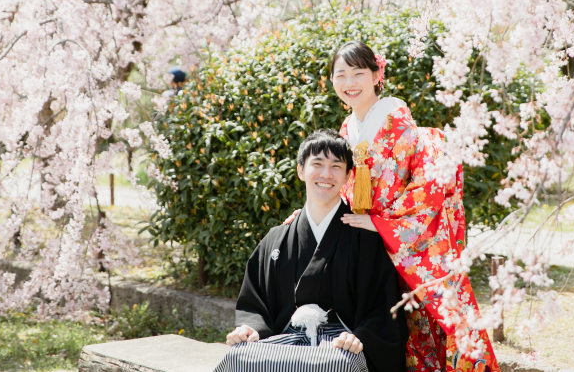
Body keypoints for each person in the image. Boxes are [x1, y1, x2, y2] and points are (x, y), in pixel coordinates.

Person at [291, 41, 499, 372]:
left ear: (377, 75)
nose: (349, 83)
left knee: (431, 325)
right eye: (340, 75)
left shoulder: (404, 127)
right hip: (372, 250)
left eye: (358, 73)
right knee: (390, 333)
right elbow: (344, 188)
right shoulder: (349, 129)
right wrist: (311, 213)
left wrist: (385, 225)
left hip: (404, 244)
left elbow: (431, 185)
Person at [214, 129, 408, 372]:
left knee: (336, 366)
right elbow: (254, 303)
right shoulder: (276, 239)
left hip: (341, 344)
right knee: (237, 359)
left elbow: (383, 307)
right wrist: (251, 328)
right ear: (300, 170)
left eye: (336, 166)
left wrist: (360, 337)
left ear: (349, 176)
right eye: (317, 163)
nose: (326, 174)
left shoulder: (364, 239)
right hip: (283, 340)